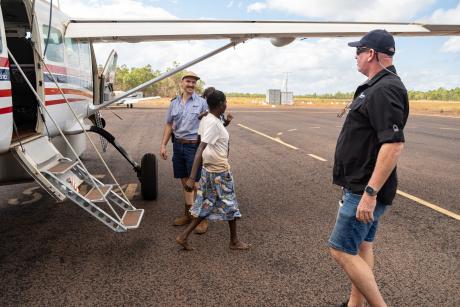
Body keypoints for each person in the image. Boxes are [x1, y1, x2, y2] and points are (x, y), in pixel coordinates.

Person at [329, 29, 409, 307]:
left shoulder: (385, 88)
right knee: (363, 246)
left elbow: (393, 145)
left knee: (340, 251)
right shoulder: (379, 85)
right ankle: (355, 305)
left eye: (359, 52)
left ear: (372, 54)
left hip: (364, 187)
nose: (356, 57)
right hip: (362, 184)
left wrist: (370, 193)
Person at [175, 90, 250, 251]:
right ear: (222, 104)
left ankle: (183, 236)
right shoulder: (213, 123)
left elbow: (201, 139)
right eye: (225, 102)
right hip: (219, 172)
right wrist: (191, 178)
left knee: (206, 204)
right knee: (230, 204)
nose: (226, 104)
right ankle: (234, 241)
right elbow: (200, 147)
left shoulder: (207, 118)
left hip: (209, 171)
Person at [160, 71, 209, 234]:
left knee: (196, 184)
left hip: (194, 147)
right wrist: (163, 145)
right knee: (184, 183)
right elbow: (168, 124)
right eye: (188, 81)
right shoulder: (174, 103)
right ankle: (189, 215)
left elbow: (212, 123)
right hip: (178, 146)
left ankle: (201, 219)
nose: (191, 85)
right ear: (182, 83)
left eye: (194, 82)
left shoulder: (202, 103)